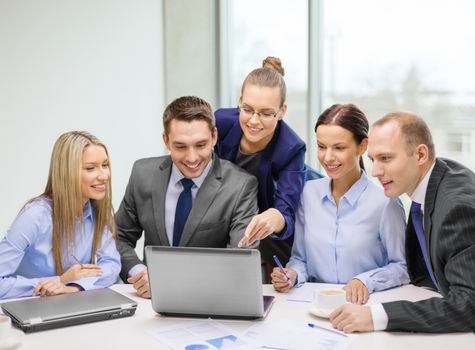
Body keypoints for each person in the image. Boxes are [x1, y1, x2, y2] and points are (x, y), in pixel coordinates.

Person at [330, 112, 475, 333]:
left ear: (420, 154)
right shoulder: (434, 179)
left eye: (386, 158)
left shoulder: (455, 208)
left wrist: (376, 316)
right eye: (372, 160)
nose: (376, 172)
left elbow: (468, 306)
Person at [116, 96, 259, 298]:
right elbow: (118, 238)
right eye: (181, 146)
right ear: (166, 141)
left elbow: (240, 261)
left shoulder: (241, 185)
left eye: (201, 145)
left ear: (214, 137)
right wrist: (138, 272)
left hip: (210, 301)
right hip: (149, 303)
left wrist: (169, 281)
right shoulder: (142, 174)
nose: (192, 158)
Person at [271, 104, 408, 303]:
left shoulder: (386, 203)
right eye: (321, 147)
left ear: (362, 146)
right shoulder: (308, 193)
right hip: (314, 305)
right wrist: (292, 275)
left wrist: (364, 281)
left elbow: (401, 267)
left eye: (339, 148)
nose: (327, 157)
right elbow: (301, 259)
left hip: (363, 307)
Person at [215, 56, 322, 273]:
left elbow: (287, 210)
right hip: (228, 212)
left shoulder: (292, 147)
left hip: (267, 217)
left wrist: (277, 218)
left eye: (265, 113)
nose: (254, 121)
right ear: (239, 102)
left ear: (282, 111)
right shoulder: (220, 123)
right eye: (247, 109)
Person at [0, 131, 120, 299]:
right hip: (31, 307)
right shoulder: (35, 215)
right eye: (90, 168)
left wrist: (75, 287)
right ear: (67, 172)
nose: (104, 176)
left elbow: (111, 264)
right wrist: (60, 281)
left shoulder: (101, 209)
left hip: (72, 302)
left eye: (105, 165)